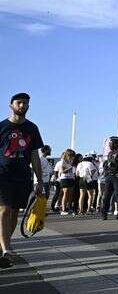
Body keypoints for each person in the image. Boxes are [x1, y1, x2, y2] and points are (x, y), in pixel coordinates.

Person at [0, 93, 44, 268]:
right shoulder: (2, 127)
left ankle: (4, 244)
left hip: (23, 176)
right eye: (19, 103)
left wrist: (39, 179)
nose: (23, 105)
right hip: (2, 174)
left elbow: (34, 155)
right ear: (11, 105)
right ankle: (6, 247)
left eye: (25, 103)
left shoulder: (32, 128)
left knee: (14, 212)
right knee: (4, 209)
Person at [54, 149, 76, 215]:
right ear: (67, 155)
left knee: (70, 194)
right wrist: (70, 168)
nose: (72, 157)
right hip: (64, 178)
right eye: (70, 155)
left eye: (72, 156)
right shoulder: (63, 161)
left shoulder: (71, 161)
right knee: (65, 193)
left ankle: (68, 207)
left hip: (71, 178)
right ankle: (63, 209)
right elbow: (63, 171)